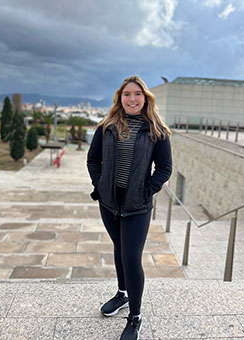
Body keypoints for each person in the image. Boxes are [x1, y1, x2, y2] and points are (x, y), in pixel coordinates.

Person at [87, 75, 172, 340]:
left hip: (137, 206)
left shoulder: (157, 130)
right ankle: (122, 294)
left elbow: (165, 169)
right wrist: (99, 186)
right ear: (119, 98)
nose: (132, 99)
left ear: (145, 98)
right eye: (127, 94)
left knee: (132, 257)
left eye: (137, 94)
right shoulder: (107, 126)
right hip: (110, 203)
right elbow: (93, 160)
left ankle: (135, 316)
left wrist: (147, 190)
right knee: (119, 249)